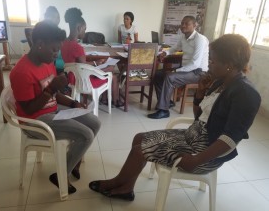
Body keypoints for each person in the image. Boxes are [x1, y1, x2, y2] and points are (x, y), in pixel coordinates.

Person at [88, 34, 261, 201]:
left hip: (205, 151)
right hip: (194, 135)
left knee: (139, 150)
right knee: (139, 138)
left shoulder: (245, 94)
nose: (209, 64)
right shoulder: (220, 82)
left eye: (213, 60)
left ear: (229, 64)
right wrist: (200, 94)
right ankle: (127, 188)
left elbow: (231, 138)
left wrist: (196, 160)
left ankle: (118, 183)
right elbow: (199, 117)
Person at [10, 21, 101, 194]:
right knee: (86, 135)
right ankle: (61, 174)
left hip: (53, 110)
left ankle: (73, 161)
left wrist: (74, 104)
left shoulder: (47, 61)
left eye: (58, 49)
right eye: (54, 49)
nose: (56, 54)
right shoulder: (21, 72)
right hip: (35, 121)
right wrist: (52, 88)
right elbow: (29, 109)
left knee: (95, 123)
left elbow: (53, 95)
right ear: (39, 45)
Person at [148, 15, 209, 119]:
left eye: (187, 23)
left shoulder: (200, 39)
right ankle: (167, 102)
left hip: (198, 72)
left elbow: (195, 64)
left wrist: (176, 70)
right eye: (182, 23)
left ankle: (164, 110)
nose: (183, 26)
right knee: (157, 75)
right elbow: (175, 48)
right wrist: (165, 53)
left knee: (170, 77)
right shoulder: (183, 37)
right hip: (187, 70)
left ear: (195, 25)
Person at [61, 7, 124, 107]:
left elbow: (79, 64)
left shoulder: (64, 42)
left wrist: (98, 63)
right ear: (79, 28)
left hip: (72, 76)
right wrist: (97, 63)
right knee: (111, 70)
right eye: (85, 29)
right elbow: (84, 67)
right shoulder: (77, 47)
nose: (85, 32)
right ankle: (115, 100)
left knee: (108, 69)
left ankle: (104, 99)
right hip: (83, 79)